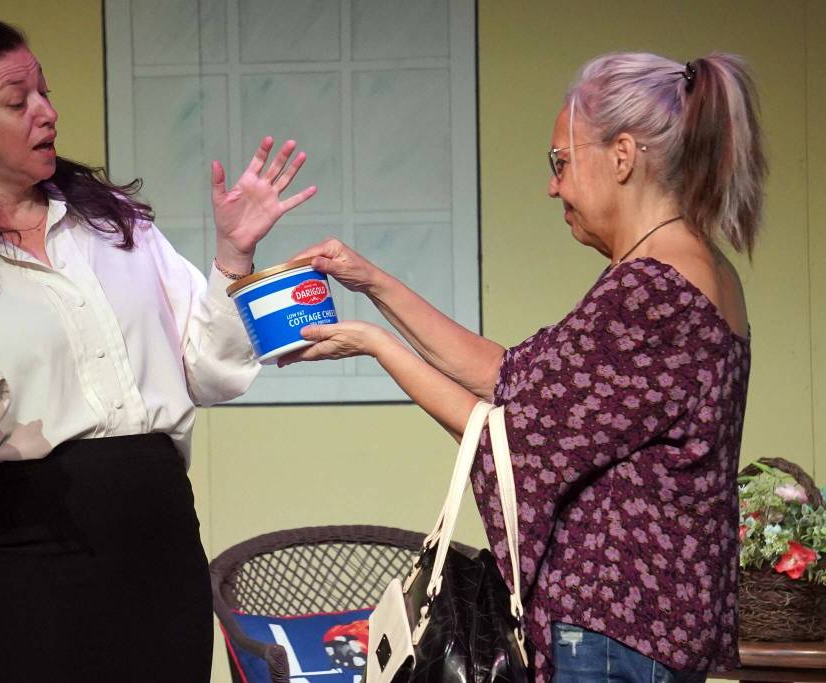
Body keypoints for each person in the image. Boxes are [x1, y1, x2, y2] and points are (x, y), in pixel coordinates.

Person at [0, 17, 316, 682]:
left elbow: (208, 372)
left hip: (158, 545)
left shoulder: (116, 227)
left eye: (44, 92)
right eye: (17, 101)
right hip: (27, 561)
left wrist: (234, 259)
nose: (47, 111)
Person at [282, 52, 765, 682]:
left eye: (560, 163)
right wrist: (372, 283)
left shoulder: (653, 289)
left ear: (622, 155)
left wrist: (377, 345)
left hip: (616, 637)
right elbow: (515, 376)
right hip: (638, 634)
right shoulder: (690, 270)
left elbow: (509, 442)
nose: (553, 186)